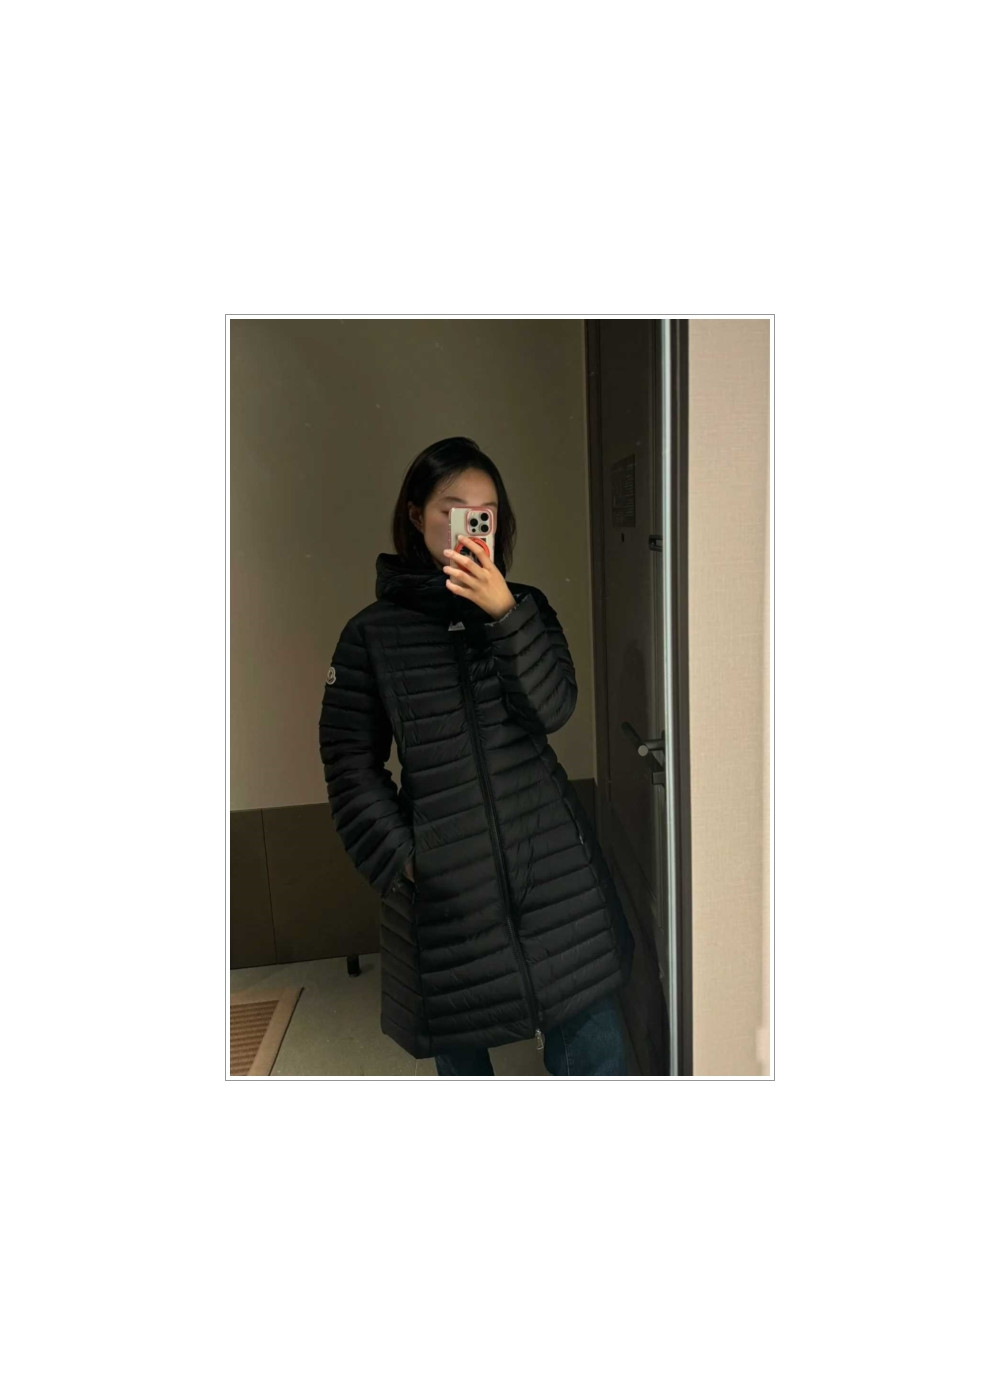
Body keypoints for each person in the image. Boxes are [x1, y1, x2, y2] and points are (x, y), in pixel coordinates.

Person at [319, 436, 635, 1075]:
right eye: (453, 508)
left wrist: (505, 616)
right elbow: (349, 765)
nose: (471, 523)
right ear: (416, 515)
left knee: (597, 1059)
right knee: (465, 1066)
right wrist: (407, 861)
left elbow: (553, 709)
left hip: (555, 879)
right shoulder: (371, 635)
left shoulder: (527, 607)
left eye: (485, 512)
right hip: (447, 897)